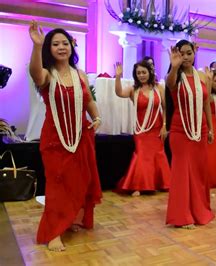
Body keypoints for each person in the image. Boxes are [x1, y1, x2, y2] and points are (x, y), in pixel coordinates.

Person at [28, 21, 102, 251]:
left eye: (65, 43)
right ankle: (53, 233)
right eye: (56, 44)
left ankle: (69, 219)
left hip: (80, 138)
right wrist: (37, 47)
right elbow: (35, 75)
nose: (62, 47)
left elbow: (89, 101)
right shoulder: (47, 74)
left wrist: (97, 117)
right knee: (57, 186)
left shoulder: (79, 74)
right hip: (54, 140)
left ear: (71, 46)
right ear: (49, 49)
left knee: (77, 182)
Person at [165, 40, 215, 229]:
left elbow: (206, 103)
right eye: (182, 53)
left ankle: (198, 209)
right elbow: (170, 85)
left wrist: (210, 128)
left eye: (189, 53)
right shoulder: (174, 76)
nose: (186, 57)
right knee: (182, 170)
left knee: (198, 170)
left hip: (200, 130)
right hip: (180, 130)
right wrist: (174, 66)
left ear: (195, 53)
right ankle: (182, 215)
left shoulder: (201, 75)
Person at [113, 60, 171, 196]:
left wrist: (164, 126)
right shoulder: (134, 89)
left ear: (150, 72)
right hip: (141, 130)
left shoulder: (159, 88)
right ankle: (138, 185)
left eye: (144, 72)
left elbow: (165, 107)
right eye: (138, 73)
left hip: (157, 128)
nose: (141, 75)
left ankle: (158, 183)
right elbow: (119, 93)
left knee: (157, 155)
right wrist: (117, 77)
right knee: (142, 155)